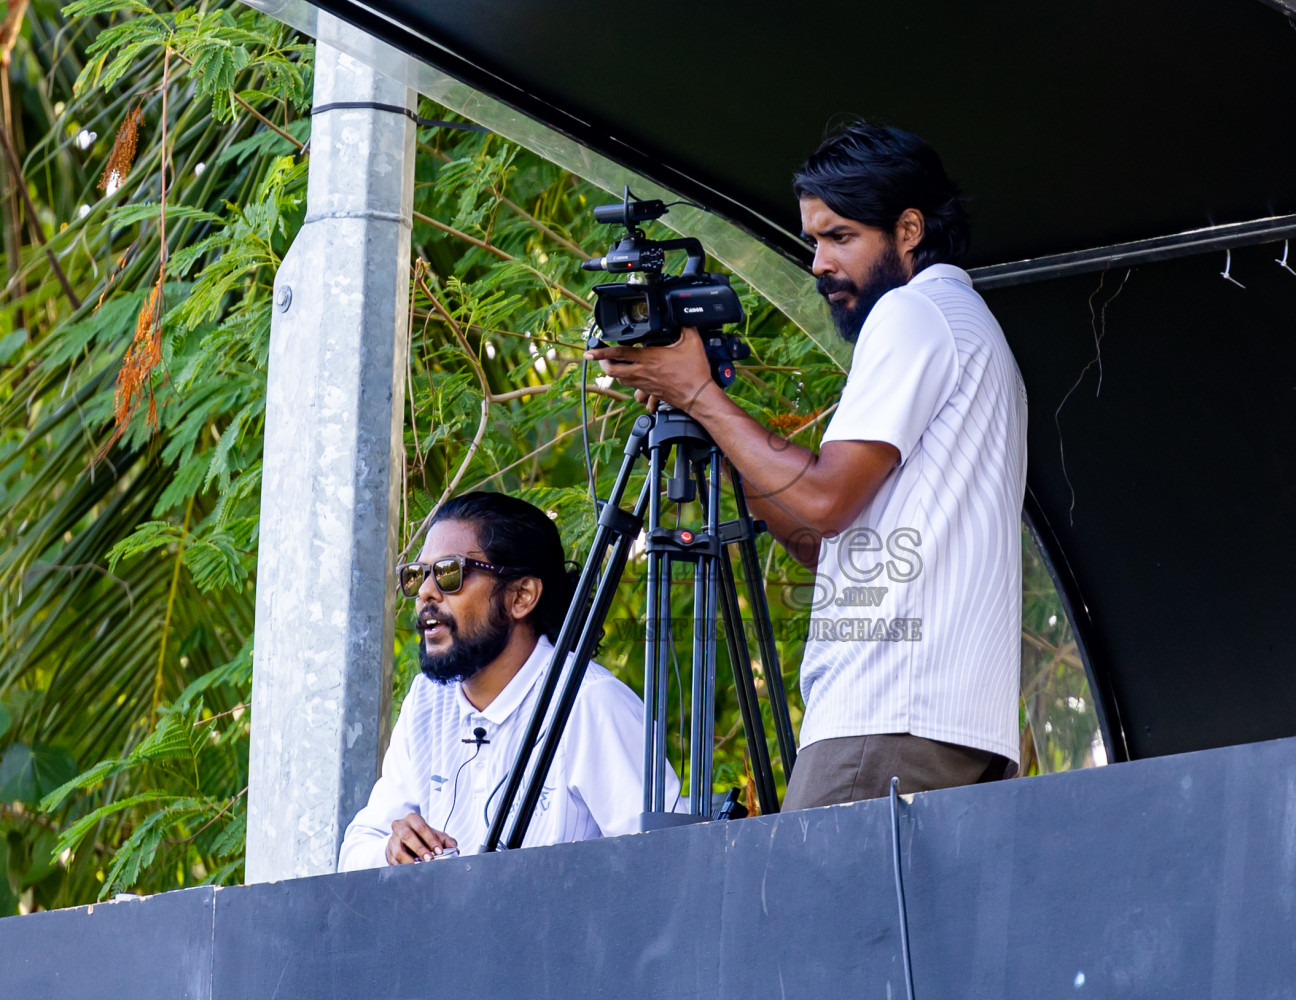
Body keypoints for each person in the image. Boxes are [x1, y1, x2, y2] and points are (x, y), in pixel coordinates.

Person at [587, 122, 1029, 810]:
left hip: (885, 717)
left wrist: (698, 392)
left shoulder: (914, 315)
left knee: (803, 918)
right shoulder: (962, 323)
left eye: (841, 236)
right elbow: (817, 543)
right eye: (813, 240)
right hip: (946, 722)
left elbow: (823, 502)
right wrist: (710, 417)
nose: (819, 261)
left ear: (908, 230)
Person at [338, 492, 675, 869]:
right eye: (418, 576)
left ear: (521, 596)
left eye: (450, 573)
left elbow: (669, 862)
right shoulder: (426, 702)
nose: (426, 593)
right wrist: (392, 849)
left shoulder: (588, 702)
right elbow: (355, 852)